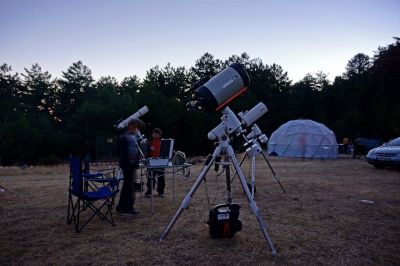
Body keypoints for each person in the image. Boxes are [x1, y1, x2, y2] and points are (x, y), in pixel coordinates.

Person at [116, 119, 140, 215]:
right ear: (131, 126)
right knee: (129, 187)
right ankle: (127, 208)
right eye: (135, 127)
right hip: (128, 165)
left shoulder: (132, 137)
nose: (136, 129)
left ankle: (121, 207)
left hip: (132, 164)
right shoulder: (124, 137)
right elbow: (121, 150)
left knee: (127, 186)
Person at [144, 128, 165, 198]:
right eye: (154, 133)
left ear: (160, 135)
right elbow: (147, 152)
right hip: (151, 162)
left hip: (161, 162)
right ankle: (149, 192)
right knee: (150, 178)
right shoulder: (150, 142)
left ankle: (161, 192)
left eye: (157, 133)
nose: (155, 134)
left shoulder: (162, 142)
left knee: (161, 178)